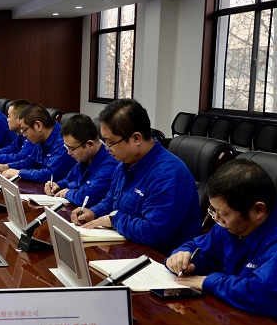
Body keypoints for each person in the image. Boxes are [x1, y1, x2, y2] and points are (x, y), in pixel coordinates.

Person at [166, 160, 277, 325]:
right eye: (213, 210)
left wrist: (210, 282)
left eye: (223, 213)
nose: (217, 219)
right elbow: (198, 248)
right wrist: (182, 256)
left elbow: (264, 295)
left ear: (258, 210)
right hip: (238, 322)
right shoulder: (232, 224)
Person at [72, 98, 199, 254]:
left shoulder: (168, 174)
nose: (107, 149)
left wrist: (114, 219)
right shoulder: (124, 164)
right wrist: (94, 212)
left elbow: (154, 232)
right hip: (127, 247)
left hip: (159, 258)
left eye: (111, 143)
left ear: (136, 138)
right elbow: (112, 200)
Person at [44, 114, 118, 210]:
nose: (69, 153)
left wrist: (67, 193)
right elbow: (69, 179)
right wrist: (58, 185)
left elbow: (88, 197)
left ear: (90, 144)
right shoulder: (85, 157)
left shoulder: (111, 163)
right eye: (67, 147)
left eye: (71, 148)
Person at [0, 103, 76, 183]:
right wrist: (6, 167)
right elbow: (31, 162)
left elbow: (50, 175)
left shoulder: (62, 142)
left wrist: (19, 173)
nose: (24, 135)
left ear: (38, 126)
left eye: (24, 130)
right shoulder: (40, 138)